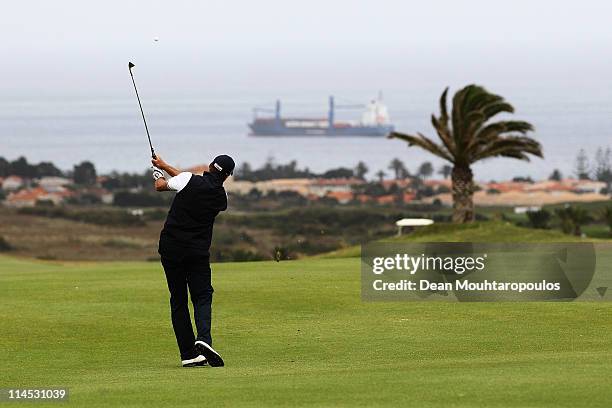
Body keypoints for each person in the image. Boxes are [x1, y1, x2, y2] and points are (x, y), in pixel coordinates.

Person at [151, 153, 235, 367]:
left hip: (171, 248)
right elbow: (187, 181)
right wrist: (165, 165)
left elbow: (162, 186)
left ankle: (188, 354)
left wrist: (157, 173)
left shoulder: (189, 180)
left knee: (178, 299)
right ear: (226, 176)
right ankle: (204, 339)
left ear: (210, 166)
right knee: (202, 295)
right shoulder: (221, 197)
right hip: (197, 252)